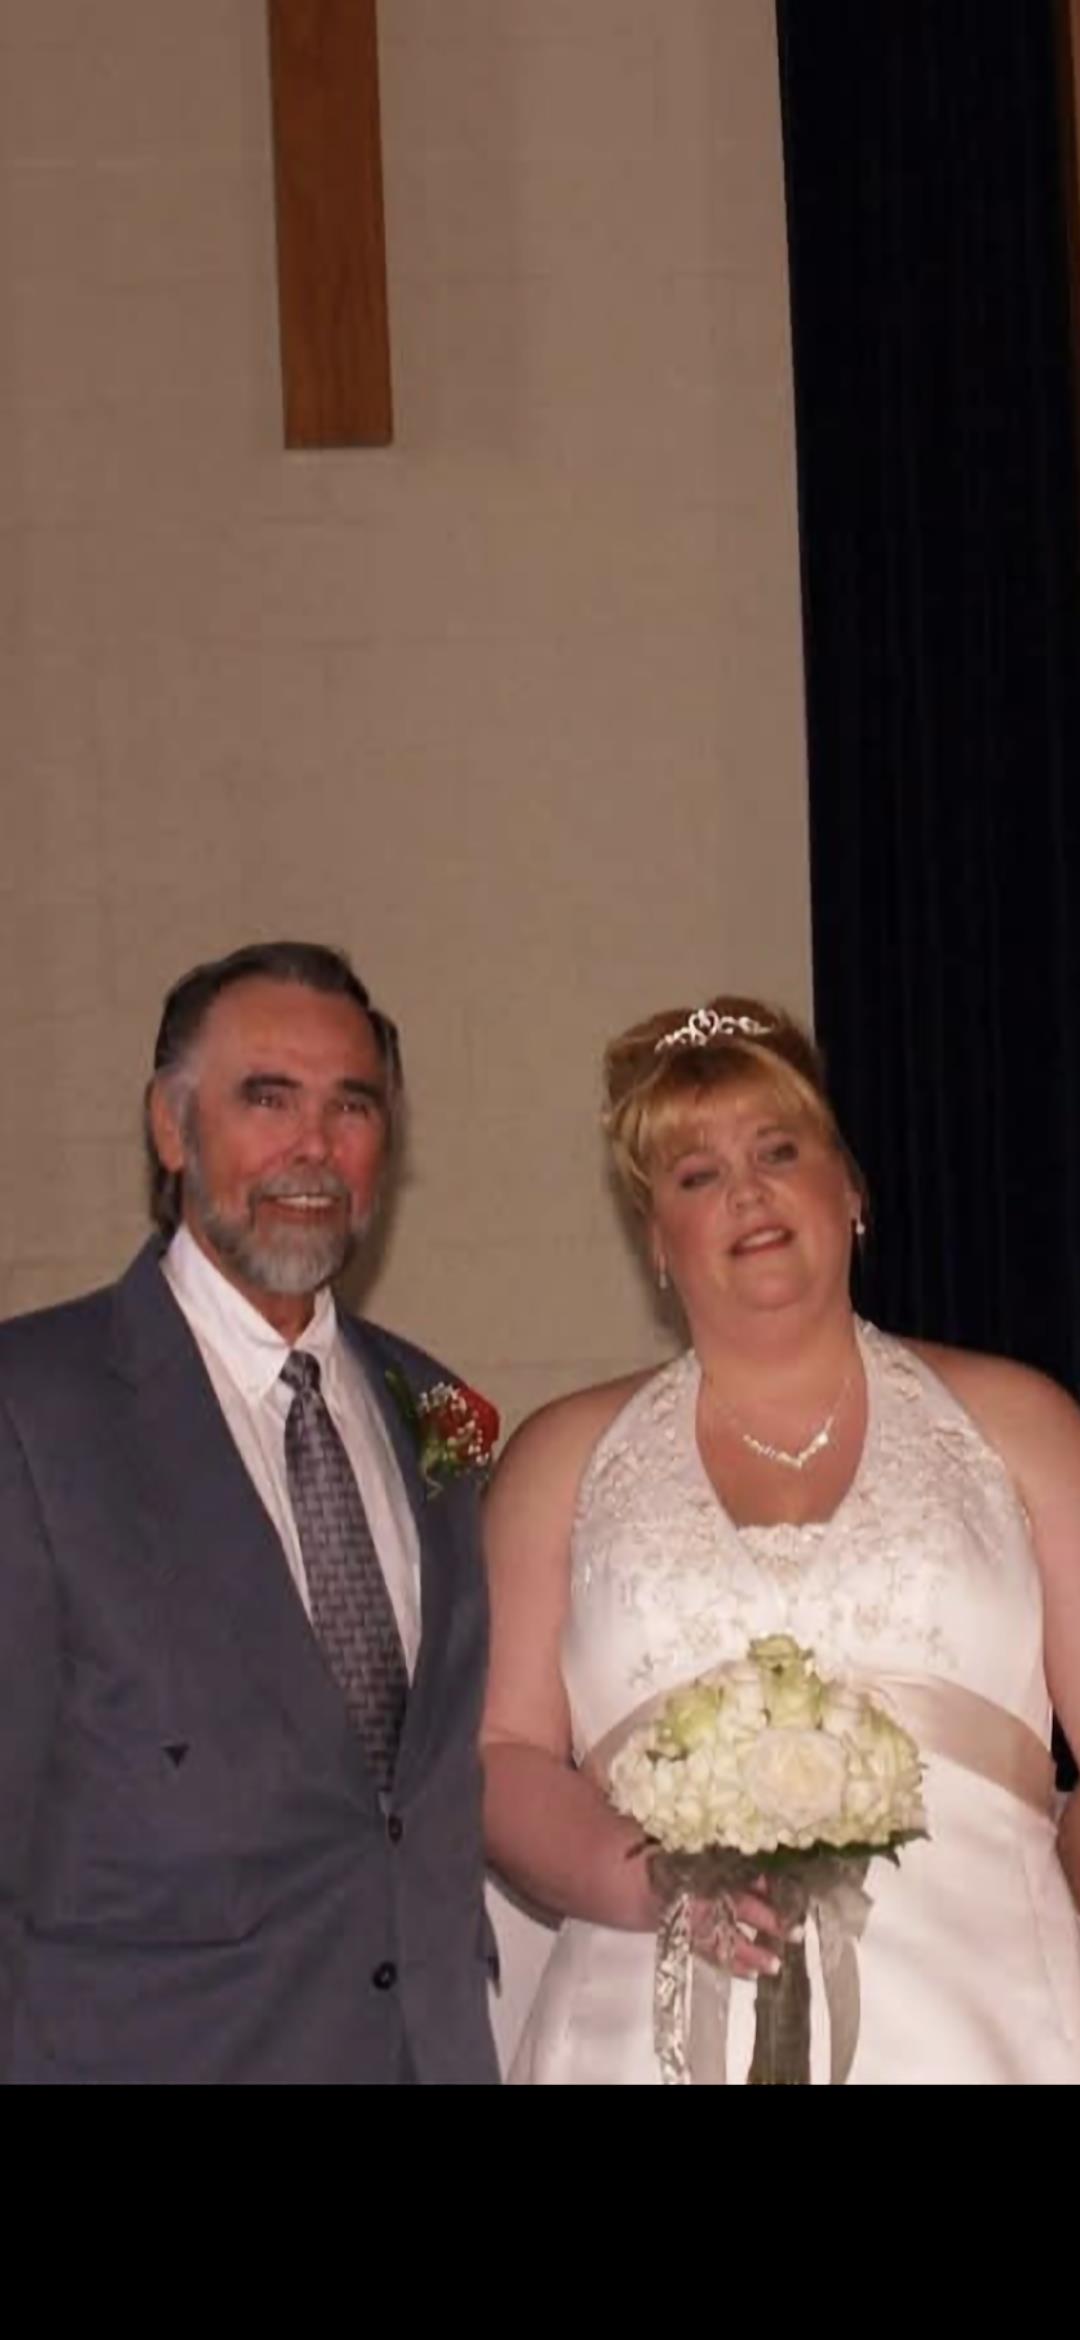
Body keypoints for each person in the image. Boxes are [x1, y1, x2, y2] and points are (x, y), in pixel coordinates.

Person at [482, 995, 1080, 2084]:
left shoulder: (1024, 1422)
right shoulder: (560, 1458)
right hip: (643, 2016)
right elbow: (502, 1757)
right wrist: (651, 1883)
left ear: (849, 1187)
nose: (746, 1191)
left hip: (992, 2019)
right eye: (695, 1176)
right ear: (656, 1242)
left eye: (778, 1149)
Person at [0, 940, 500, 2085]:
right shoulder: (30, 1411)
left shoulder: (442, 1412)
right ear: (171, 1130)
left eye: (352, 1106)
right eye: (266, 1098)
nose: (313, 1146)